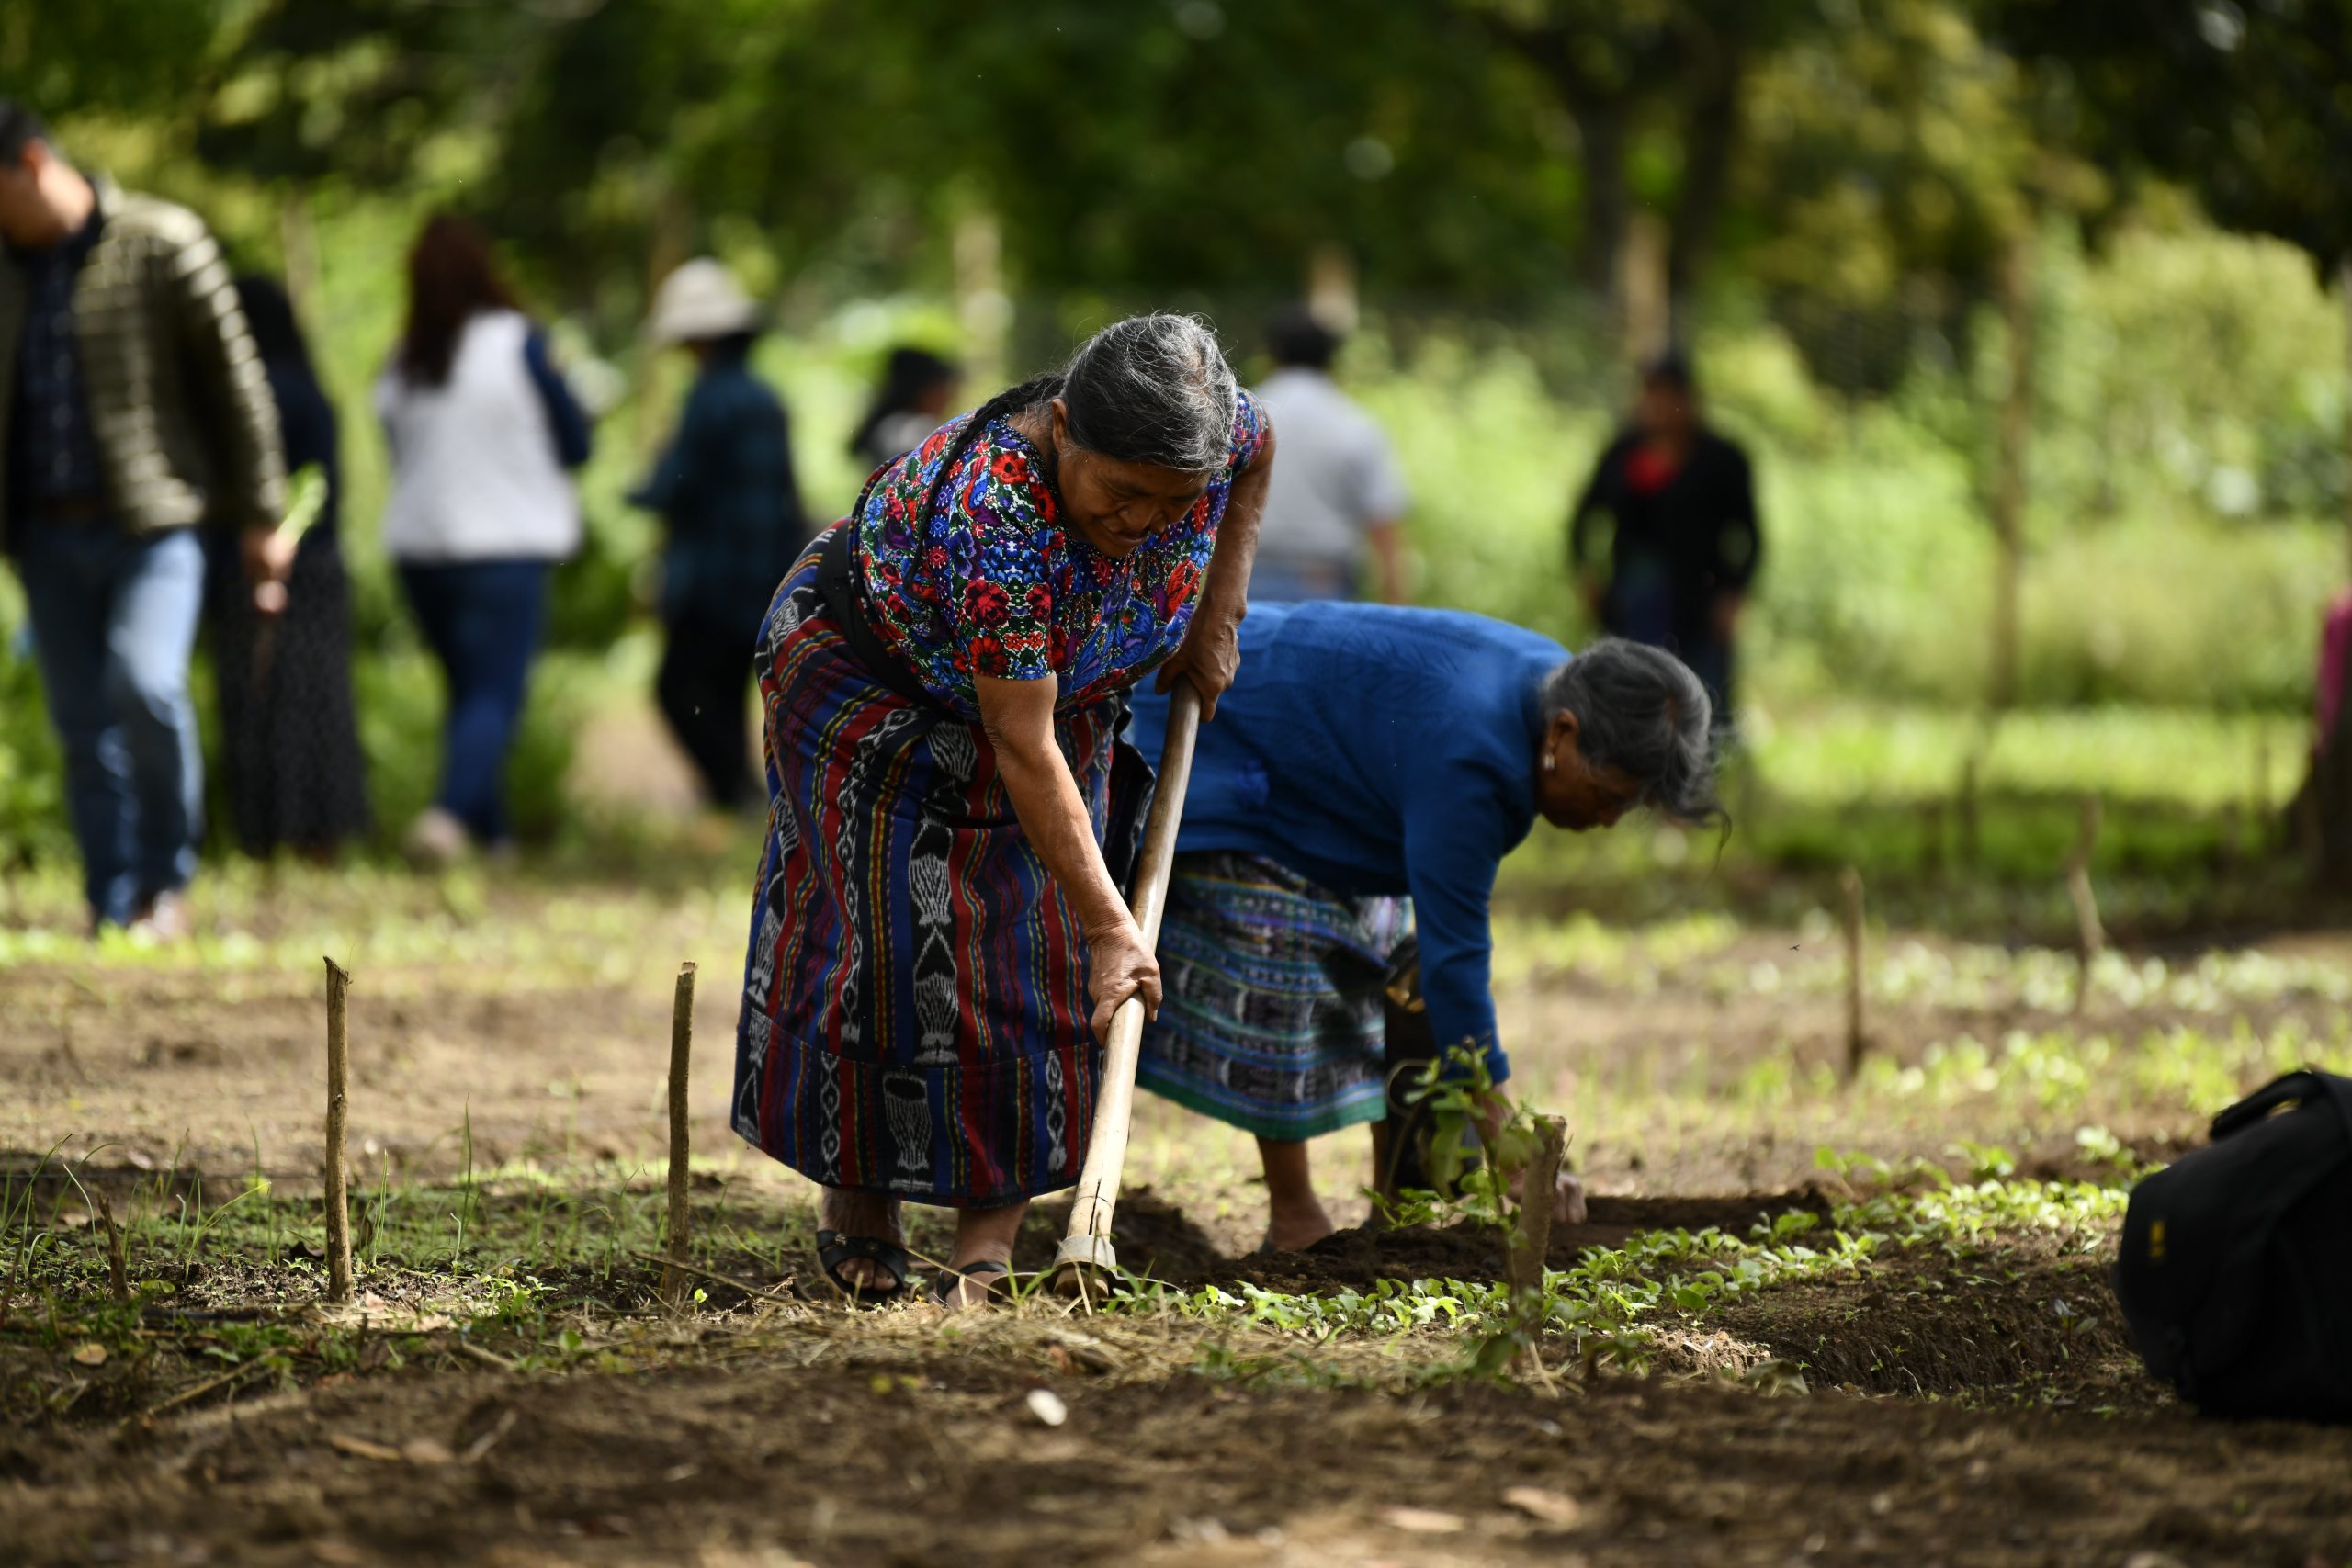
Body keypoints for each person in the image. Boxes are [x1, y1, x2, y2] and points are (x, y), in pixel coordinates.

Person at [730, 312, 1272, 1307]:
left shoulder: (1218, 432)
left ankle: (986, 1249)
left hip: (1056, 703)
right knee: (890, 946)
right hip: (871, 692)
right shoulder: (996, 513)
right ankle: (861, 1203)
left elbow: (1256, 446)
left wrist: (1216, 614)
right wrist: (1118, 926)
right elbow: (1019, 742)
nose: (1146, 522)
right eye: (1123, 494)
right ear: (1064, 428)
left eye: (1172, 502)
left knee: (1040, 954)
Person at [1131, 610, 1718, 1250]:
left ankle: (1396, 1202)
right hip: (1217, 719)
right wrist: (1510, 1141)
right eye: (1607, 795)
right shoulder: (1476, 757)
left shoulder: (1556, 684)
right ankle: (1294, 1213)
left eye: (1625, 808)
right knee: (1289, 945)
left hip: (1326, 774)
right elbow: (1457, 964)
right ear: (1564, 732)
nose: (1608, 820)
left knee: (1396, 957)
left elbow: (1432, 964)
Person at [0, 99, 289, 937]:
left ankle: (167, 882)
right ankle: (110, 897)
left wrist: (263, 512)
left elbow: (240, 389)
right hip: (44, 531)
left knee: (145, 683)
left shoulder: (162, 241)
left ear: (29, 165)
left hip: (155, 524)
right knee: (83, 725)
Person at [377, 214, 593, 864]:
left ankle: (494, 839)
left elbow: (393, 451)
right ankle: (446, 818)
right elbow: (577, 442)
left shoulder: (402, 360)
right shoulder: (518, 342)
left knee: (468, 691)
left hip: (420, 549)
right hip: (504, 549)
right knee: (495, 693)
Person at [629, 258, 807, 811]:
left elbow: (673, 484)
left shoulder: (706, 399)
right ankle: (733, 793)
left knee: (674, 689)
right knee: (728, 691)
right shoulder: (768, 399)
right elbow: (785, 489)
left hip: (707, 575)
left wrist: (640, 488)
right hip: (762, 571)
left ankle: (732, 790)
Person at [206, 276, 370, 860]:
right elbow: (324, 486)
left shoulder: (250, 390)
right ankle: (318, 836)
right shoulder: (309, 391)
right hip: (315, 568)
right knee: (316, 708)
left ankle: (261, 833)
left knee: (254, 703)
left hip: (247, 567)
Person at [1568, 349, 1758, 725]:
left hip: (1700, 599)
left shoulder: (1721, 460)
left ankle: (1705, 771)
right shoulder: (1622, 454)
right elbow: (1583, 519)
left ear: (1688, 398)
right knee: (1632, 697)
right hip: (1632, 600)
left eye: (1666, 394)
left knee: (1702, 700)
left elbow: (1750, 535)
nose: (1656, 404)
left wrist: (1735, 593)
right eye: (1649, 392)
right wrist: (1586, 575)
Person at [1246, 306, 1408, 604]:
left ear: (1272, 355)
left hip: (1243, 576)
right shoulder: (1355, 423)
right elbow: (1384, 522)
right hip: (1324, 582)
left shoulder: (1245, 418)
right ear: (1331, 359)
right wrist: (1397, 605)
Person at [848, 345, 961, 474]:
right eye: (942, 390)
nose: (948, 399)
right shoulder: (914, 428)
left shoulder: (889, 424)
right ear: (922, 391)